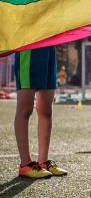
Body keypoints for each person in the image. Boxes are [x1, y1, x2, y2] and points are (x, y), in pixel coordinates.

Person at [14, 46, 67, 179]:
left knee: (46, 109)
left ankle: (43, 162)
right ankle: (25, 164)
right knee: (25, 108)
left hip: (49, 45)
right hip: (28, 45)